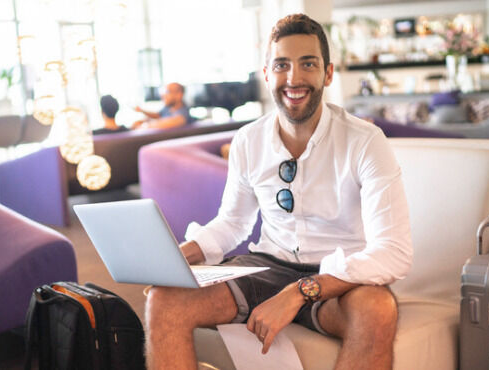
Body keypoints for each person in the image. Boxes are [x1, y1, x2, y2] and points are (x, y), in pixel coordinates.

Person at [145, 13, 413, 370]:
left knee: (378, 309)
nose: (294, 78)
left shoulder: (365, 142)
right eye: (282, 65)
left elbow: (393, 253)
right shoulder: (247, 140)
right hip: (267, 267)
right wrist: (182, 255)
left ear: (328, 73)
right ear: (267, 74)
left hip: (338, 276)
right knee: (164, 299)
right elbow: (233, 223)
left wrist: (300, 292)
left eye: (308, 64)